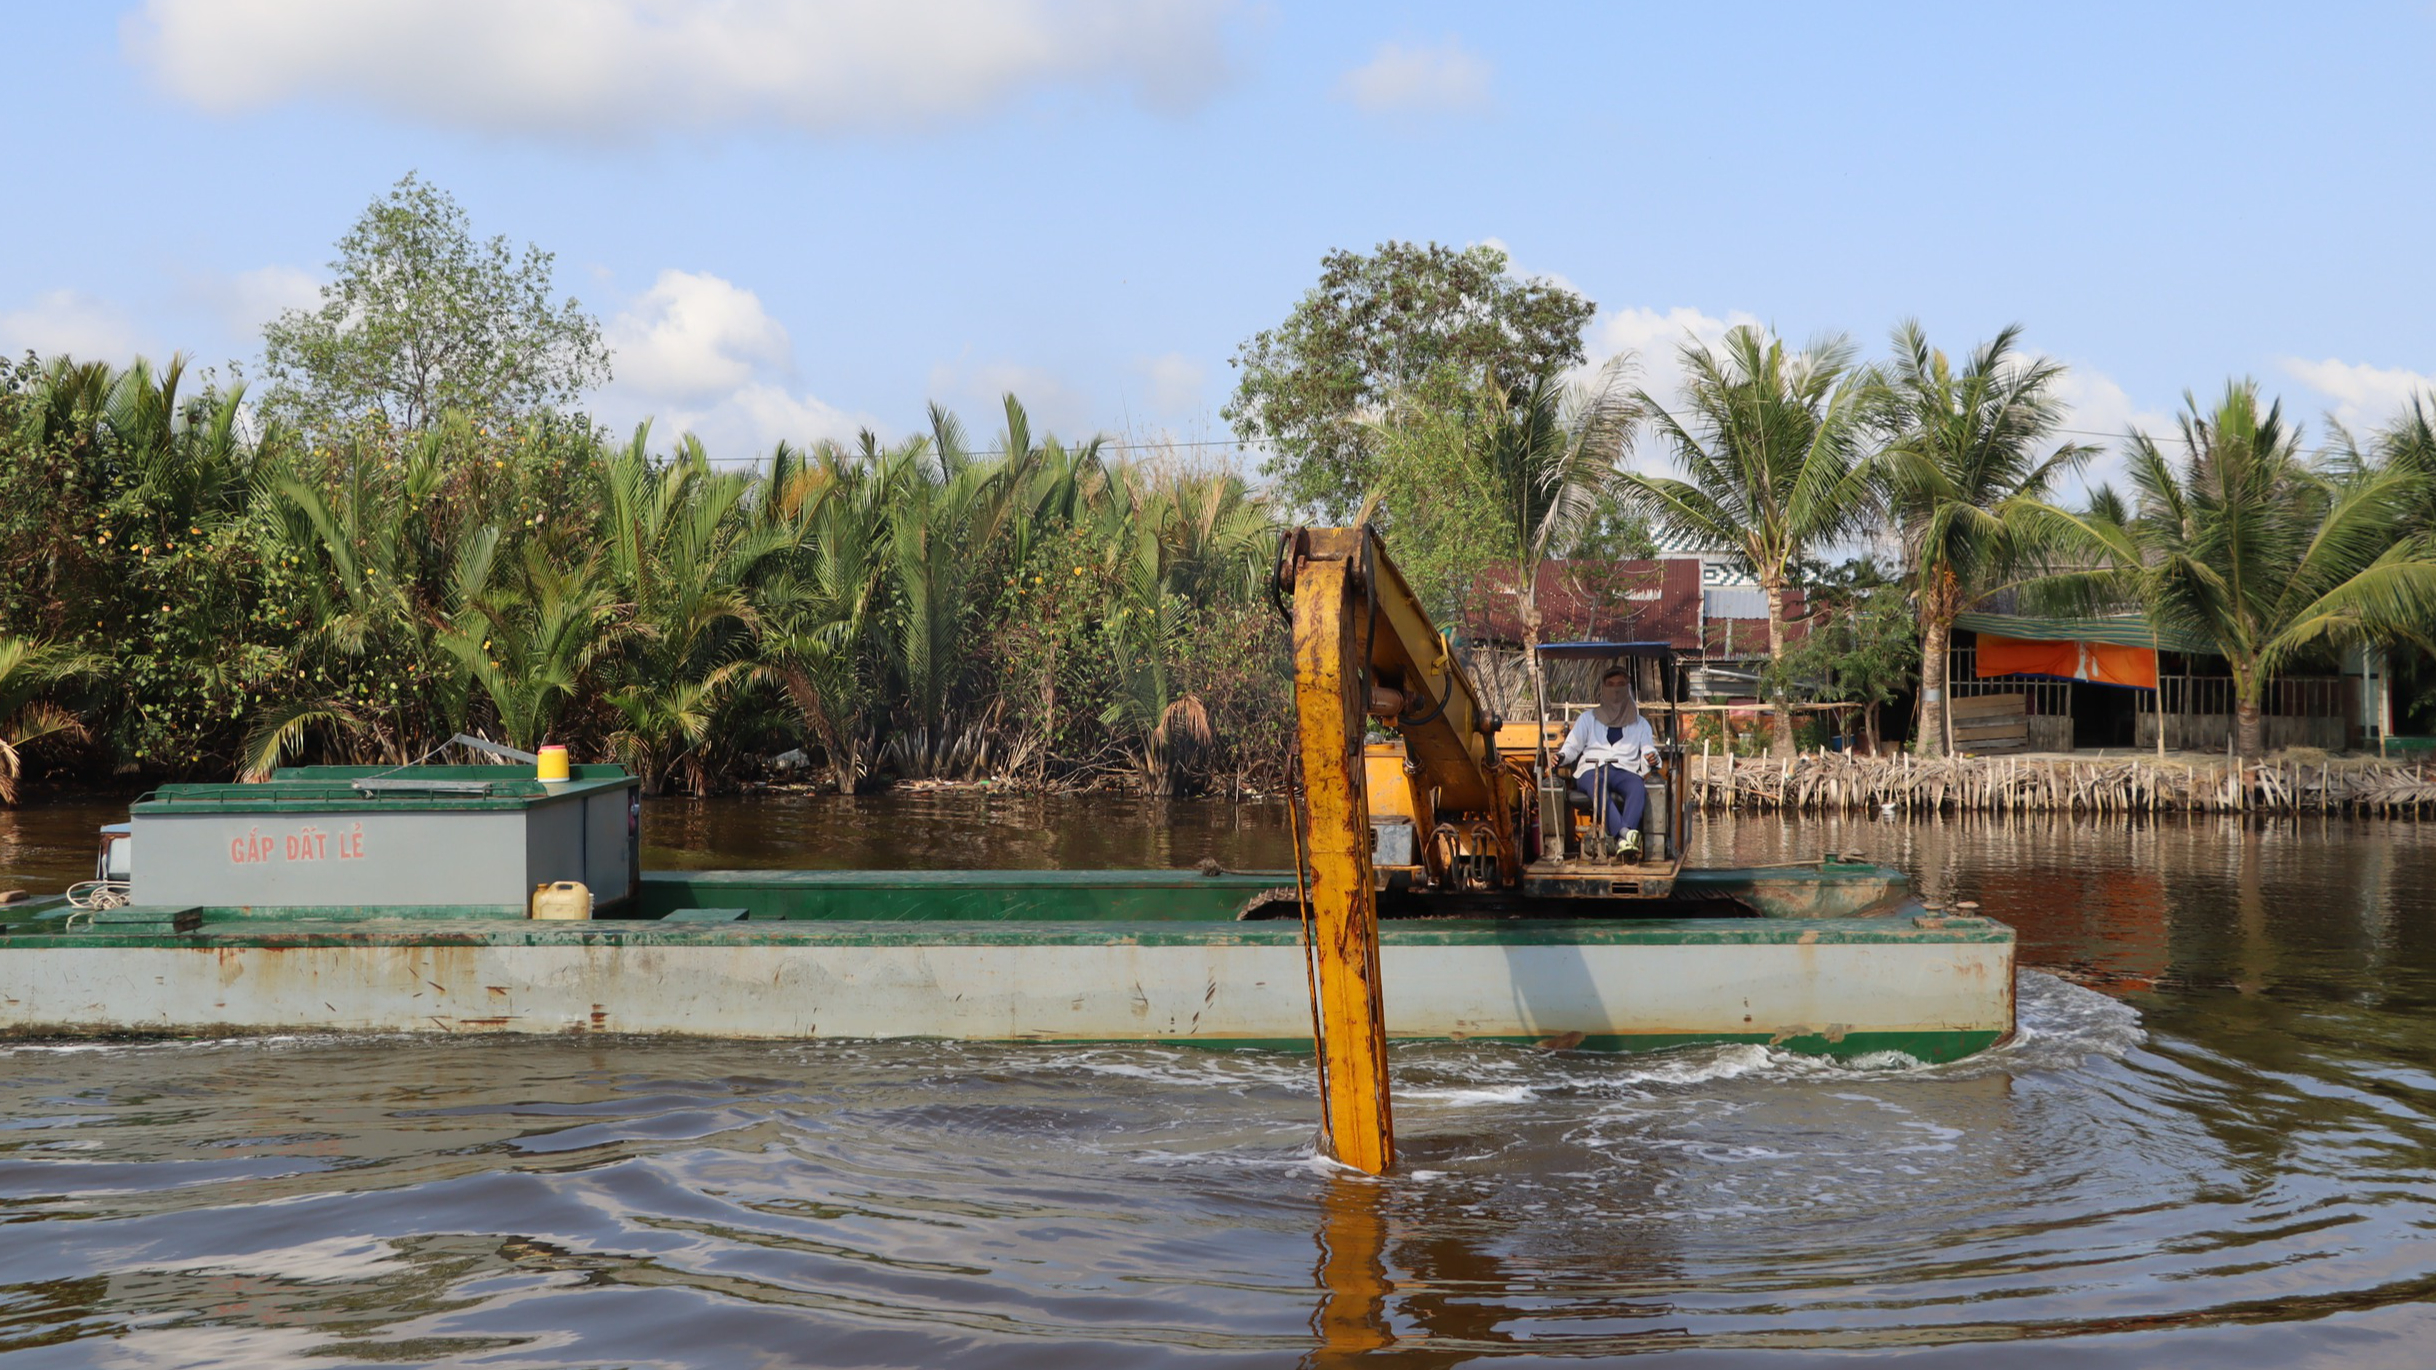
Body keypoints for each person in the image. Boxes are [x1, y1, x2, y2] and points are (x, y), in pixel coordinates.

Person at [1558, 667, 1655, 856]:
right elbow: (1572, 746)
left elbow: (1648, 748)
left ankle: (1622, 842)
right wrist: (1561, 756)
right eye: (1610, 685)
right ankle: (1625, 835)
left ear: (1628, 688)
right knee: (1597, 783)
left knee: (1637, 786)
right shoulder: (1587, 719)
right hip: (1591, 769)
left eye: (1620, 685)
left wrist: (1652, 757)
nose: (1615, 690)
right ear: (1603, 689)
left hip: (1625, 769)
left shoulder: (1640, 723)